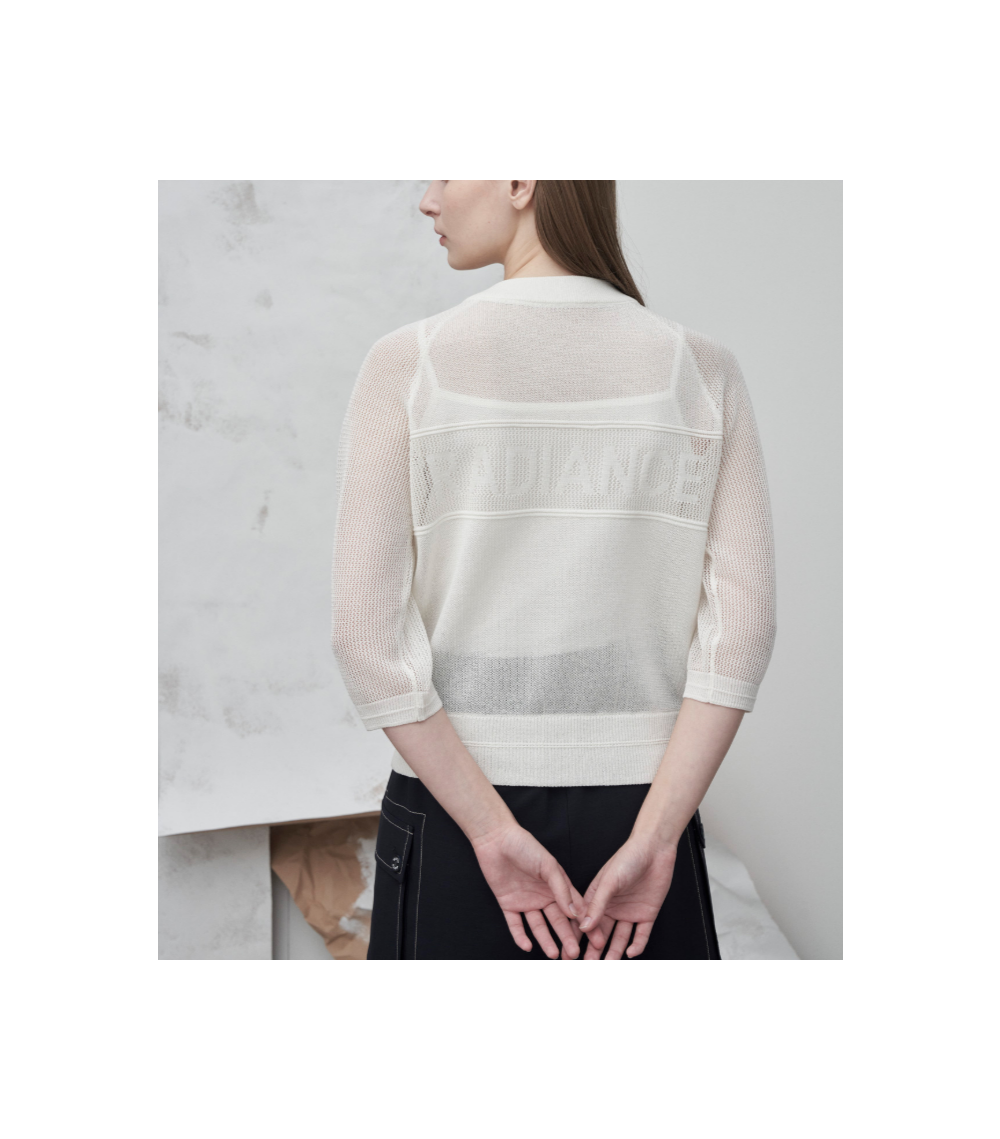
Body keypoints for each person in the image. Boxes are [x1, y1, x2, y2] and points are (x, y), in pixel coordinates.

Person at [331, 180, 776, 960]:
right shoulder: (703, 369)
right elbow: (741, 633)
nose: (427, 200)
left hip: (455, 816)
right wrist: (658, 836)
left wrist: (491, 832)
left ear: (520, 184)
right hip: (643, 824)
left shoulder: (409, 363)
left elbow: (366, 643)